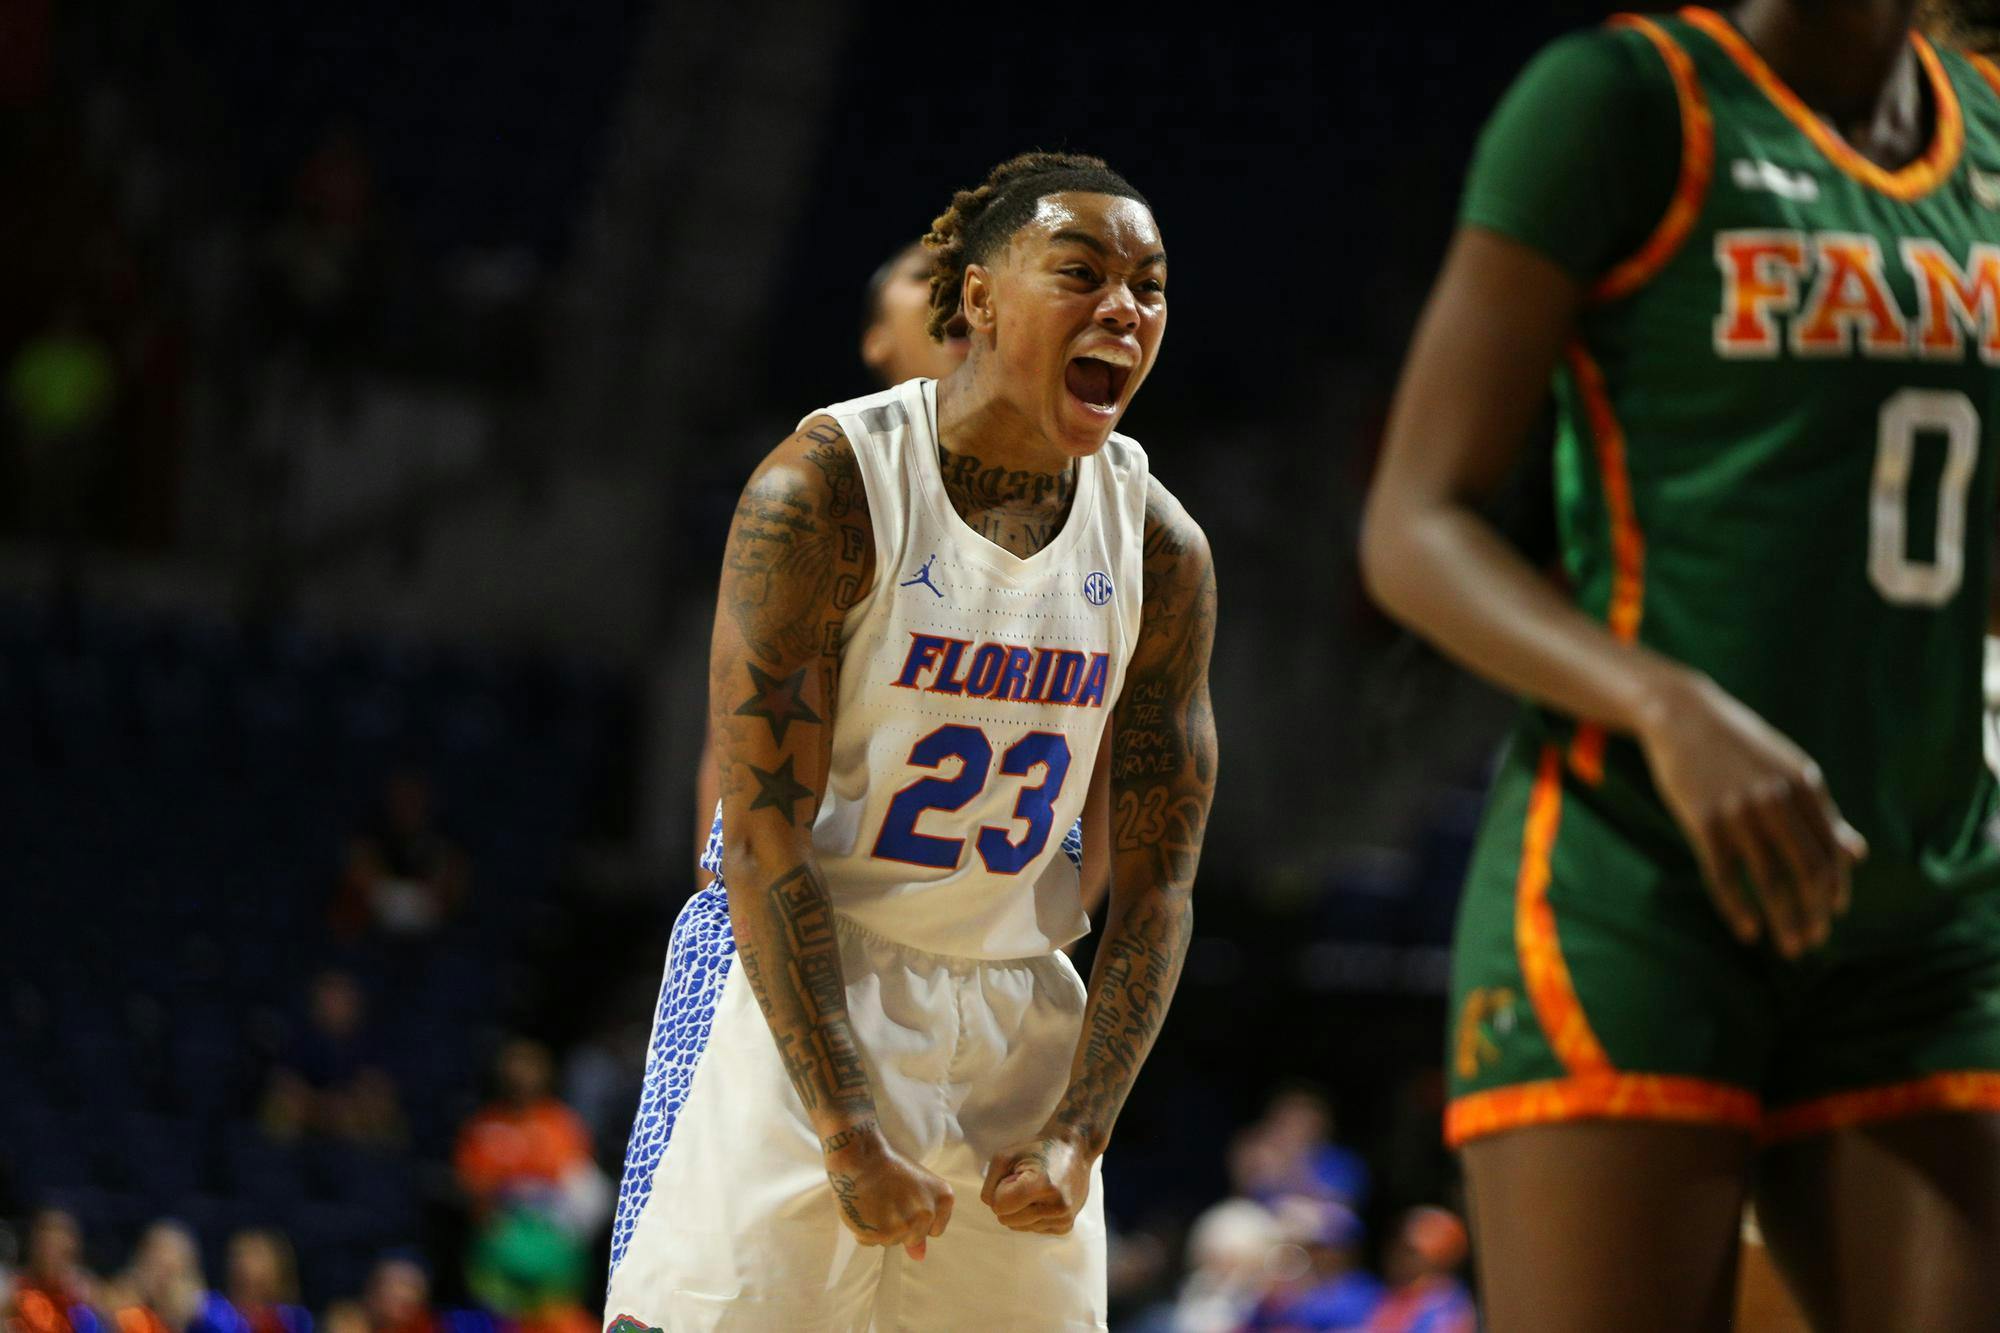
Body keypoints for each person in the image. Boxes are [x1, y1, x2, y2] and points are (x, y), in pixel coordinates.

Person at [1361, 2, 2000, 1327]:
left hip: (1922, 894)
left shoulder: (1984, 133)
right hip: (1640, 883)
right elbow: (1414, 527)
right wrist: (1666, 703)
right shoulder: (1622, 100)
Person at [606, 149, 1217, 1329]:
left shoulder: (1158, 545)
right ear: (976, 296)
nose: (1123, 310)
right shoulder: (822, 490)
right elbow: (759, 834)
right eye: (1081, 273)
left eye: (1147, 286)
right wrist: (843, 1125)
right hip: (808, 987)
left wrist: (1082, 1128)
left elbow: (1158, 879)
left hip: (1016, 1011)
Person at [1365, 1209, 1474, 1333]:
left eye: (1410, 1251)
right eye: (1397, 1244)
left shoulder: (1450, 1305)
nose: (1397, 1255)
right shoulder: (1368, 1292)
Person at [222, 1232, 309, 1333]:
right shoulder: (220, 1318)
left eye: (256, 1254)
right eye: (238, 1255)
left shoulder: (293, 1320)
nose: (243, 1262)